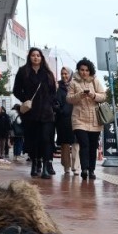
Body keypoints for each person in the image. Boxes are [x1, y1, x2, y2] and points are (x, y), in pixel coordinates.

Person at [12, 47, 57, 178]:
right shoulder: (23, 71)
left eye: (38, 55)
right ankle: (35, 162)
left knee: (45, 139)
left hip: (46, 112)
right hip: (30, 113)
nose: (36, 57)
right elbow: (16, 90)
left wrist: (49, 102)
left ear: (42, 58)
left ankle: (45, 167)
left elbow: (53, 91)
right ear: (29, 57)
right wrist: (25, 100)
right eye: (33, 55)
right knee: (33, 139)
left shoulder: (47, 73)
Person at [67, 57, 107, 180]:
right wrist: (80, 95)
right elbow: (69, 99)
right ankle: (84, 169)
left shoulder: (95, 81)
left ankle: (91, 170)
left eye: (86, 70)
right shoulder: (73, 82)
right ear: (78, 70)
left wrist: (92, 95)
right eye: (81, 70)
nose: (84, 72)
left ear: (90, 71)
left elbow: (103, 96)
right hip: (79, 119)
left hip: (94, 120)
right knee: (84, 144)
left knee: (92, 145)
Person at [55, 66, 77, 176]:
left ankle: (75, 167)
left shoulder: (76, 86)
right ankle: (66, 167)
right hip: (63, 119)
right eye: (62, 73)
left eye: (66, 73)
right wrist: (61, 110)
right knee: (65, 144)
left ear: (71, 74)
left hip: (76, 118)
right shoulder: (59, 87)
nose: (64, 76)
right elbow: (55, 102)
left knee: (76, 143)